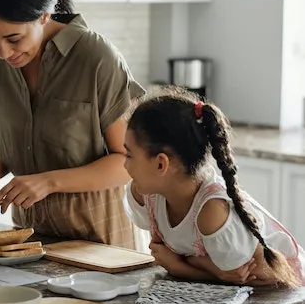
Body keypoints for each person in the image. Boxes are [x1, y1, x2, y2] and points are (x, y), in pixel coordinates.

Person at [0, 0, 146, 249]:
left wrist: (48, 182)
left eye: (13, 38)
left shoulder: (95, 57)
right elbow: (15, 138)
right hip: (29, 239)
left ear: (44, 16)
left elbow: (129, 162)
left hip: (99, 239)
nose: (3, 52)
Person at [123, 87, 304, 288]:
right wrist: (206, 267)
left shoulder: (213, 212)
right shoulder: (147, 193)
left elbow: (257, 276)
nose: (124, 165)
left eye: (129, 155)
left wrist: (181, 266)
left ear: (160, 164)